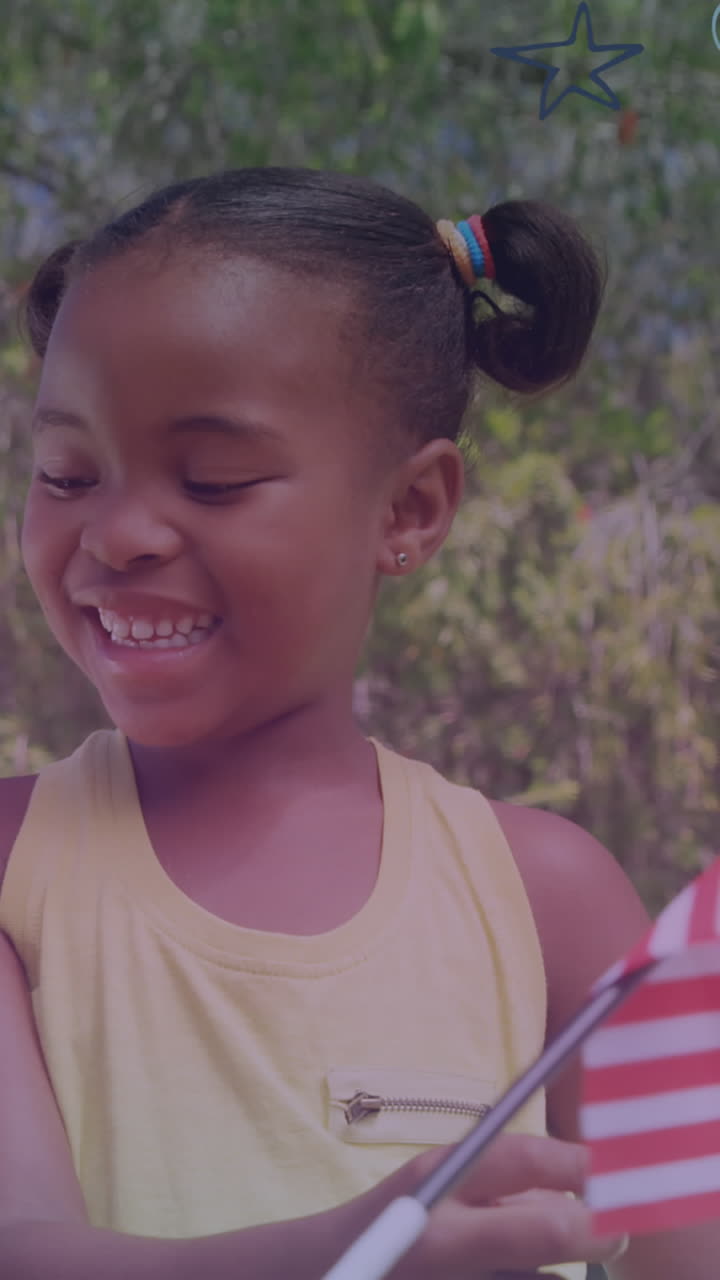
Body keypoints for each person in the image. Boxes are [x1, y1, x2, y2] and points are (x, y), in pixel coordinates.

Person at [0, 167, 715, 1280]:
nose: (120, 530)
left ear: (410, 509)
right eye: (66, 471)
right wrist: (339, 1253)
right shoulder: (15, 870)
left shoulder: (558, 901)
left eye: (217, 477)